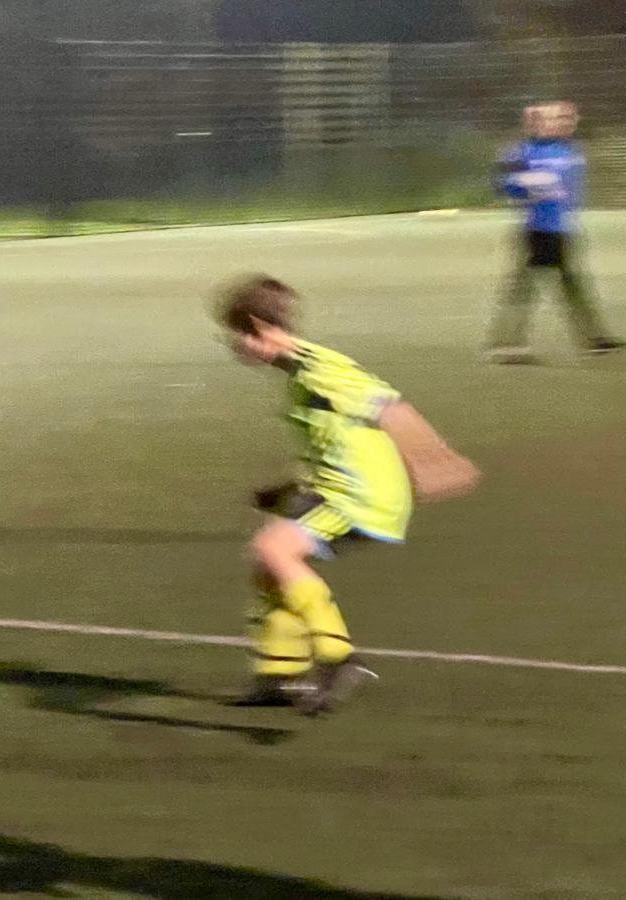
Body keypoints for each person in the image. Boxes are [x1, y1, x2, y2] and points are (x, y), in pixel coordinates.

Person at [217, 276, 479, 715]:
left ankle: (339, 659)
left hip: (360, 496)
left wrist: (435, 461)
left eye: (239, 334)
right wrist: (284, 492)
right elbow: (338, 442)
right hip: (337, 489)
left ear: (260, 327)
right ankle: (279, 673)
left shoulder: (321, 368)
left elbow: (390, 408)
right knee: (268, 565)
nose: (235, 345)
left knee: (272, 550)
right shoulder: (299, 374)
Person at [487, 100, 621, 363]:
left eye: (569, 119)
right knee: (526, 287)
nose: (566, 123)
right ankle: (504, 345)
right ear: (538, 123)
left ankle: (594, 339)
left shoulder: (568, 150)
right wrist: (526, 184)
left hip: (561, 228)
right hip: (537, 229)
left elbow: (570, 189)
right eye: (558, 119)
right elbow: (500, 183)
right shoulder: (522, 152)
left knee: (568, 284)